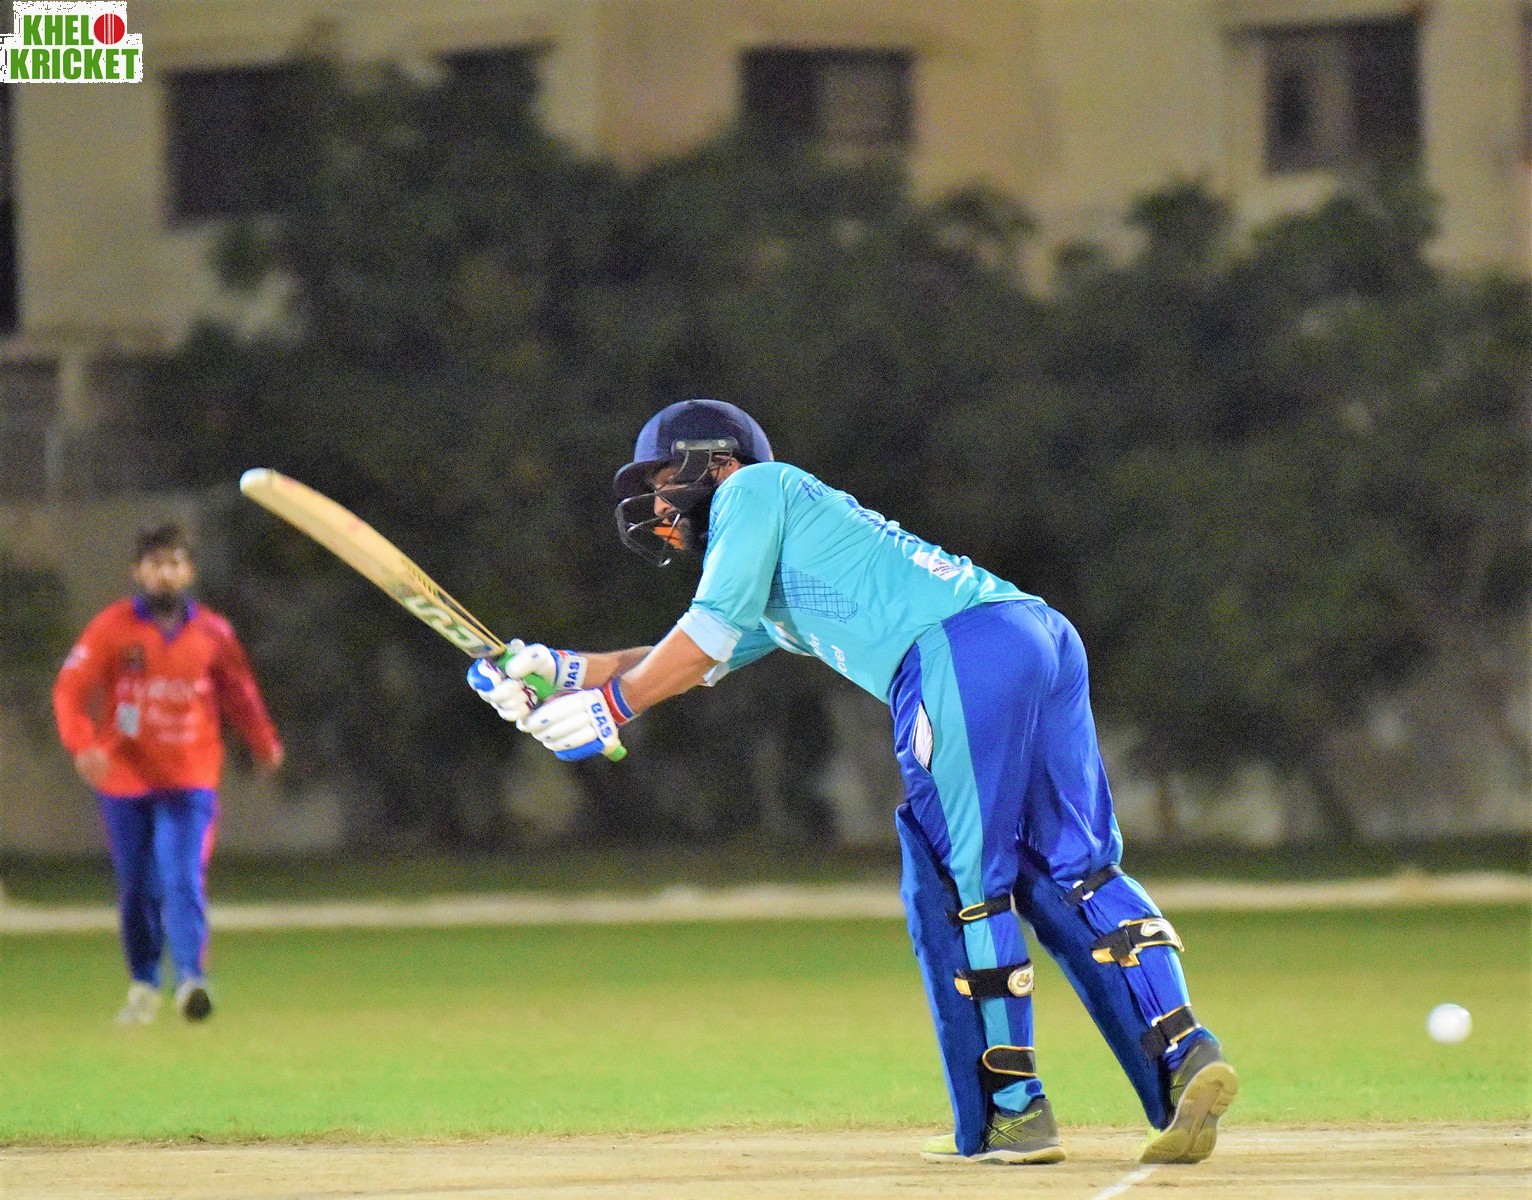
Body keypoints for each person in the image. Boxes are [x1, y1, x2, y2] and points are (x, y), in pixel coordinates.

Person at [469, 399, 1238, 1165]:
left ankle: (1013, 1112)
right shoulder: (783, 540)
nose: (659, 500)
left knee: (959, 881)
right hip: (1035, 632)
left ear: (717, 460)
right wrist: (559, 670)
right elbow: (694, 658)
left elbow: (702, 638)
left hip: (956, 653)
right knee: (1076, 869)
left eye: (665, 476)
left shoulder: (750, 490)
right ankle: (1183, 1055)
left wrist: (610, 708)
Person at [53, 522, 284, 1025]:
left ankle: (191, 981)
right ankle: (143, 984)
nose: (165, 574)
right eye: (155, 564)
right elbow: (70, 689)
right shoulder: (112, 627)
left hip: (190, 777)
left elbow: (240, 692)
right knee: (137, 887)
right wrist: (83, 744)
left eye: (175, 563)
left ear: (189, 571)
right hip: (125, 777)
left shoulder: (213, 632)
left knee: (182, 878)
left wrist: (263, 741)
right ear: (138, 571)